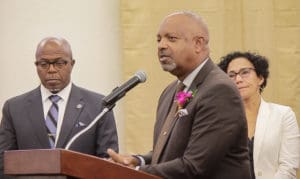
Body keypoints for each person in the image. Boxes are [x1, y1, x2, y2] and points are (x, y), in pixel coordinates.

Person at [107, 11, 251, 179]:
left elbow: (194, 166)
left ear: (198, 44)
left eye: (171, 38)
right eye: (158, 39)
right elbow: (169, 152)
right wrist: (137, 161)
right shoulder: (170, 92)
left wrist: (131, 174)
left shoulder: (219, 90)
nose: (161, 45)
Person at [0, 37, 119, 178]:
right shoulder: (14, 108)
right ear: (36, 65)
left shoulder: (99, 106)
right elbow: (4, 164)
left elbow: (108, 163)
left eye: (59, 63)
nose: (51, 70)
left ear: (72, 64)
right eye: (44, 64)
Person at [218, 51, 300, 179]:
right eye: (231, 75)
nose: (238, 79)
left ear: (260, 78)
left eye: (245, 72)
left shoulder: (283, 115)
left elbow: (289, 168)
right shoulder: (219, 119)